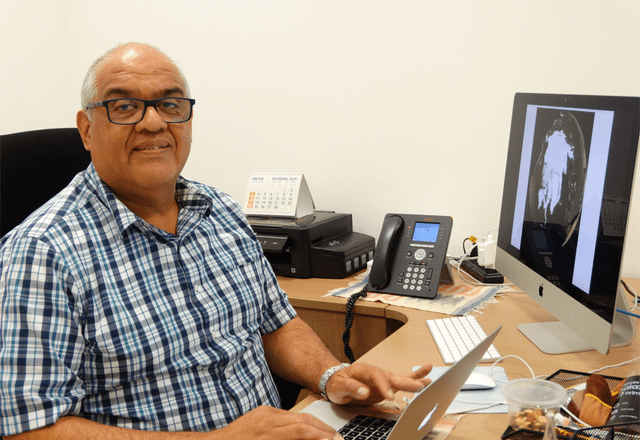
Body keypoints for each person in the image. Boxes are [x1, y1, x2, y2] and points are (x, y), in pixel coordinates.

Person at [0, 43, 432, 439]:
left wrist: (332, 376)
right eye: (125, 106)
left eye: (170, 104)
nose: (153, 122)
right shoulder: (41, 253)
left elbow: (276, 323)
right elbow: (30, 429)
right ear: (87, 129)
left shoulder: (219, 210)